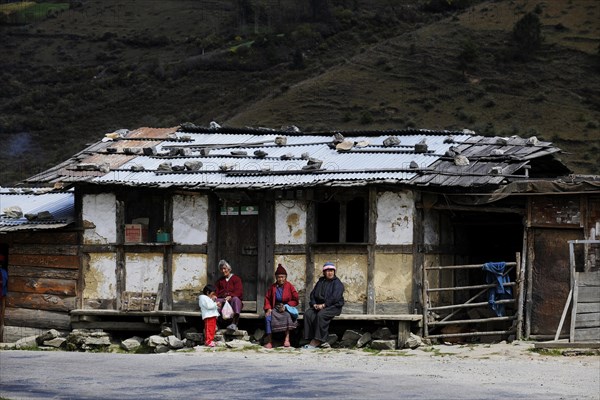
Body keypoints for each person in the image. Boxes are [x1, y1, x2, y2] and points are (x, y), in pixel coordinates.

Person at [303, 262, 344, 349]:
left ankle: (318, 339)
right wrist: (314, 304)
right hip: (319, 306)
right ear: (324, 272)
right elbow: (313, 294)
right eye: (328, 271)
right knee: (308, 314)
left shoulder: (337, 283)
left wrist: (324, 305)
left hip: (333, 307)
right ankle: (310, 337)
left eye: (332, 271)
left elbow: (335, 298)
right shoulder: (320, 282)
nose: (330, 273)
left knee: (321, 315)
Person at [263, 264, 299, 349]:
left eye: (282, 277)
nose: (280, 279)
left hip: (286, 307)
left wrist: (287, 306)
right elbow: (267, 298)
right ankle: (269, 341)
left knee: (287, 316)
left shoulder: (289, 286)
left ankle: (287, 339)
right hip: (275, 307)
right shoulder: (273, 287)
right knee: (268, 317)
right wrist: (268, 308)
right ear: (276, 277)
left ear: (285, 277)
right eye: (279, 277)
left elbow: (296, 298)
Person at [215, 259, 243, 331]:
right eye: (221, 269)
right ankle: (216, 325)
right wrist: (214, 297)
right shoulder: (220, 281)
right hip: (223, 300)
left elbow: (239, 292)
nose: (223, 271)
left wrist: (231, 296)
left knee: (236, 299)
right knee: (216, 301)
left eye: (225, 268)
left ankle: (234, 323)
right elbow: (216, 292)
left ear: (229, 268)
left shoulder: (236, 279)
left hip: (232, 301)